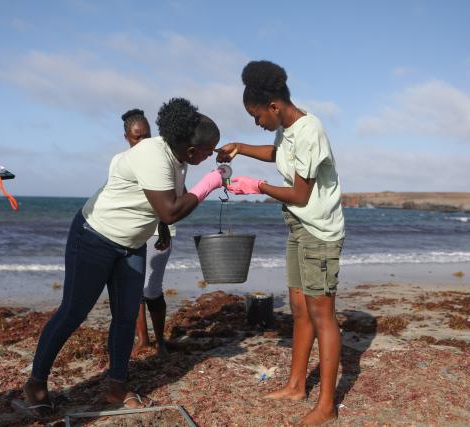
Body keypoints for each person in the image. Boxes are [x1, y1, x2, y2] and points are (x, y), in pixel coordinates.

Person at [20, 98, 225, 417]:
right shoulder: (152, 155)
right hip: (95, 236)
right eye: (207, 150)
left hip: (132, 244)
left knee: (126, 316)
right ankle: (35, 383)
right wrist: (212, 182)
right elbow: (170, 210)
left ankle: (116, 385)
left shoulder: (179, 158)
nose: (210, 154)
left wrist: (161, 227)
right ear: (187, 147)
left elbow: (162, 202)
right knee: (73, 312)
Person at [217, 60, 345, 426]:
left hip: (319, 231)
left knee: (323, 315)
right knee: (299, 309)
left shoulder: (309, 131)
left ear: (274, 106)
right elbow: (277, 155)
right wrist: (240, 148)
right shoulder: (286, 130)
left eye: (256, 116)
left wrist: (257, 187)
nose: (257, 122)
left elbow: (301, 195)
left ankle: (327, 405)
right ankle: (296, 384)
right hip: (298, 228)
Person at [120, 108, 172, 357]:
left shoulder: (162, 159)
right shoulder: (124, 161)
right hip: (132, 231)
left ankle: (160, 340)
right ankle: (143, 340)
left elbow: (174, 198)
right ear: (126, 137)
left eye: (146, 136)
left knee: (152, 289)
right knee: (133, 287)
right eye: (136, 137)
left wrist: (165, 226)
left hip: (160, 231)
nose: (142, 142)